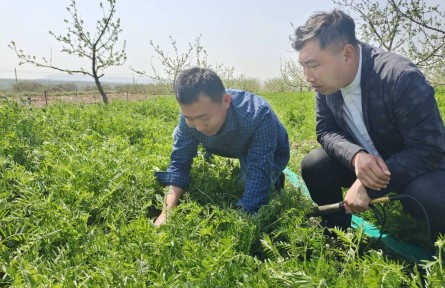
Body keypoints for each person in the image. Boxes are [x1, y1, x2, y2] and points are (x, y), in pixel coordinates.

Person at [292, 9, 445, 233]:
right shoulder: (326, 85)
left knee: (428, 196)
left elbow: (429, 148)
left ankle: (435, 249)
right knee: (315, 165)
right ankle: (337, 235)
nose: (308, 77)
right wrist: (355, 156)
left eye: (313, 65)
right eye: (303, 66)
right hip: (367, 159)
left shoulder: (399, 78)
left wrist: (368, 185)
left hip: (414, 165)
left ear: (347, 54)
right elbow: (325, 130)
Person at [154, 67, 290, 226]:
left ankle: (274, 175)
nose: (199, 127)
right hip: (223, 142)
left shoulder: (258, 115)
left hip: (264, 148)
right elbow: (178, 164)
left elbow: (257, 178)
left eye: (205, 118)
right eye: (190, 118)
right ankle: (209, 155)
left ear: (226, 101)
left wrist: (238, 223)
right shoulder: (191, 116)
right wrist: (167, 212)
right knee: (178, 133)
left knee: (249, 185)